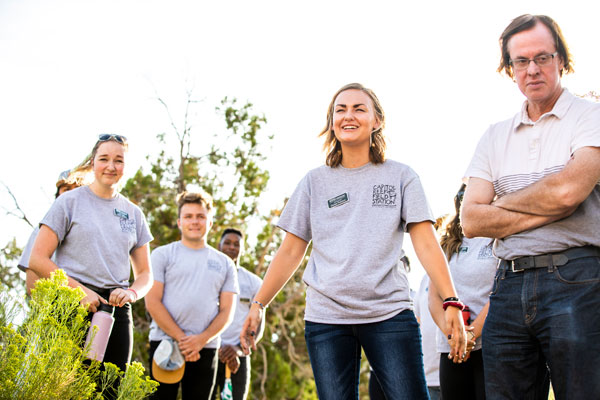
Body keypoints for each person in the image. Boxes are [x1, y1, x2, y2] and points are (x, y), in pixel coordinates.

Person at [240, 83, 467, 400]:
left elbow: (427, 244)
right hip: (326, 318)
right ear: (332, 122)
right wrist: (258, 304)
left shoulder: (401, 177)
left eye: (359, 108)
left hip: (389, 312)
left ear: (377, 121)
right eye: (340, 110)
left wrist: (451, 301)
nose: (349, 115)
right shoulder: (313, 182)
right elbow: (291, 250)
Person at [461, 14, 600, 399]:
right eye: (521, 61)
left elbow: (568, 193)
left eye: (542, 57)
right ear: (509, 69)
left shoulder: (591, 117)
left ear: (561, 59)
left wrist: (500, 205)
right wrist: (549, 206)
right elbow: (471, 219)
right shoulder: (494, 136)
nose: (532, 69)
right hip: (507, 285)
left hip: (577, 279)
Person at [29, 134, 154, 375]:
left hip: (116, 311)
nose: (111, 166)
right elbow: (37, 259)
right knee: (63, 385)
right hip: (70, 305)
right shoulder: (68, 202)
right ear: (92, 163)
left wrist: (130, 292)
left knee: (109, 389)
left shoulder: (134, 214)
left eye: (118, 160)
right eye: (104, 159)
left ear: (126, 167)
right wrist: (79, 291)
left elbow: (146, 274)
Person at [145, 191, 239, 400]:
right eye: (188, 216)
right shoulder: (162, 255)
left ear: (210, 222)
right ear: (179, 222)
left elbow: (226, 311)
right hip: (165, 343)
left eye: (200, 216)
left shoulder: (225, 263)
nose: (194, 221)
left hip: (205, 348)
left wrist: (200, 340)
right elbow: (152, 302)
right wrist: (182, 339)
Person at [429, 184, 497, 400]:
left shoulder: (498, 239)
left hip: (488, 345)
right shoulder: (447, 244)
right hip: (451, 349)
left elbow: (500, 291)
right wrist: (453, 337)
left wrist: (469, 336)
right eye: (461, 195)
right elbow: (433, 297)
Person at [213, 228, 264, 400]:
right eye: (227, 242)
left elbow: (258, 325)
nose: (231, 247)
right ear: (219, 245)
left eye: (236, 244)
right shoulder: (207, 276)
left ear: (243, 249)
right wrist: (215, 347)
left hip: (238, 357)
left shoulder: (254, 283)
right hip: (209, 351)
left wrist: (238, 350)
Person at [18, 169, 84, 295]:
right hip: (58, 306)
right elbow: (32, 286)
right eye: (66, 189)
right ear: (58, 194)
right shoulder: (41, 231)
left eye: (78, 189)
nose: (72, 195)